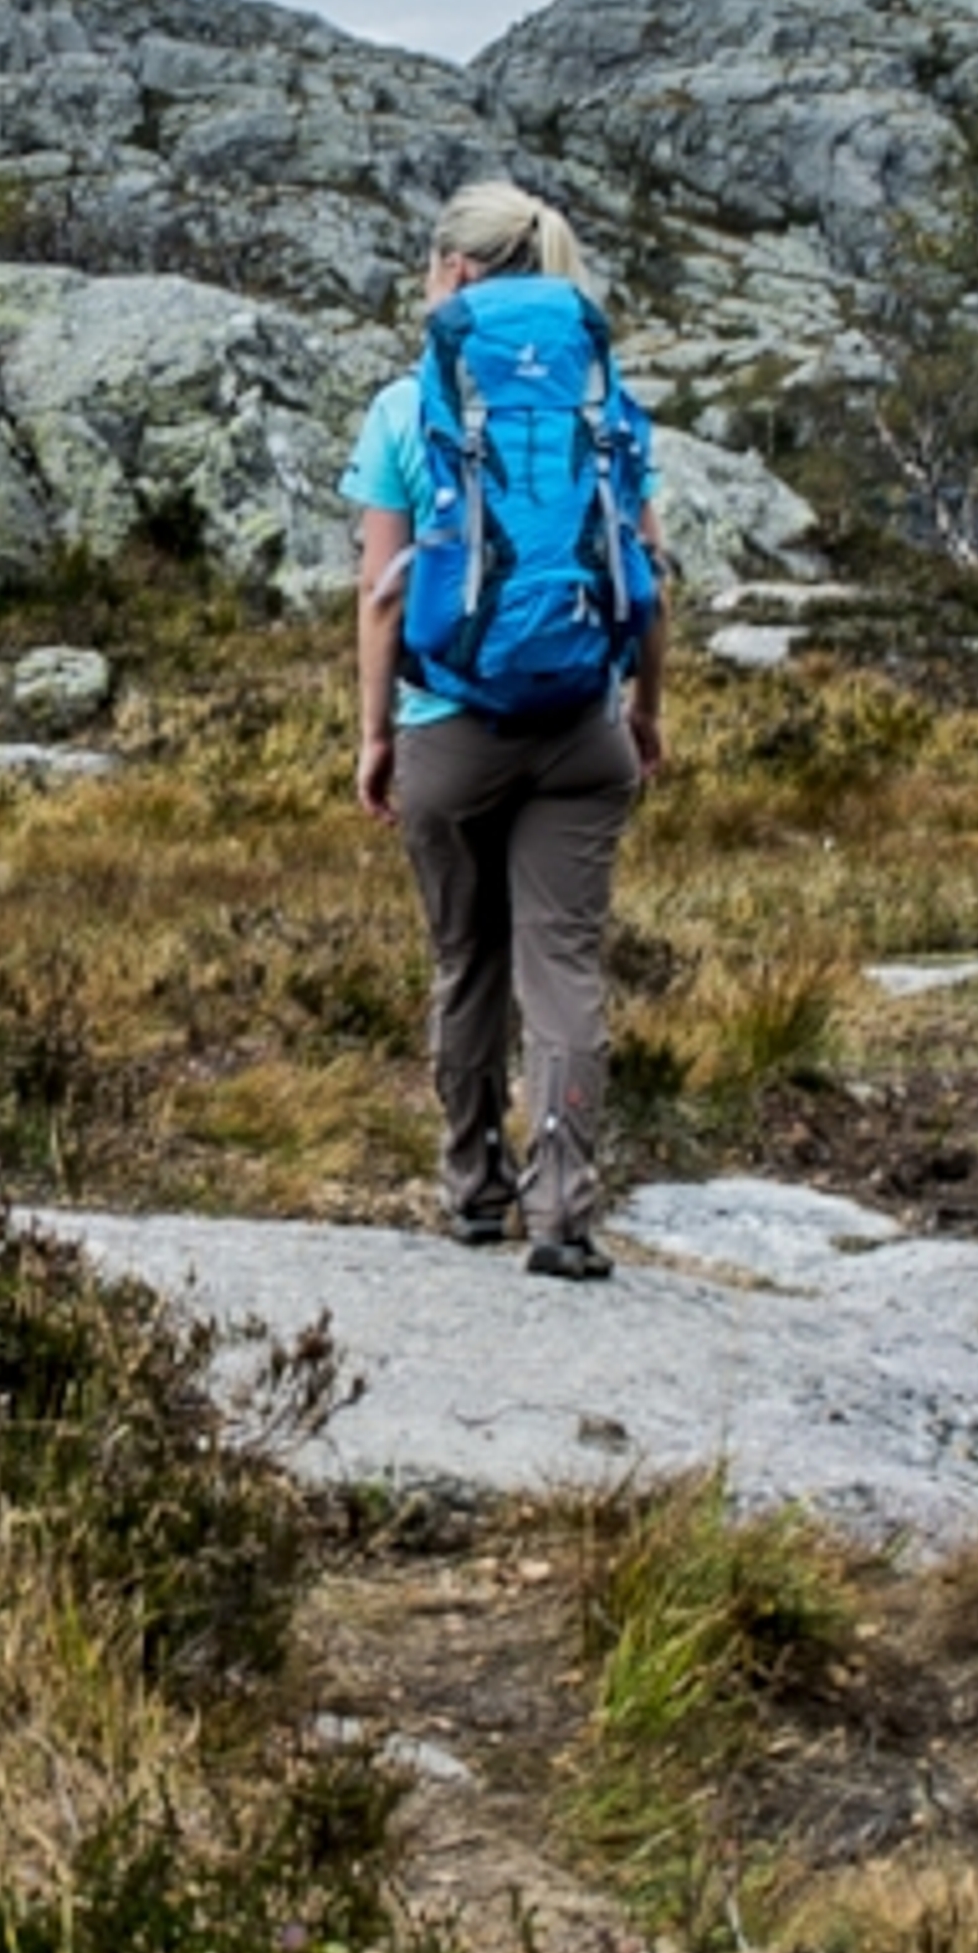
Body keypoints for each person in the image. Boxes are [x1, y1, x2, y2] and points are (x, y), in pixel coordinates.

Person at [349, 180, 668, 1278]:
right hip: (583, 725)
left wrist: (376, 736)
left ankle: (475, 1192)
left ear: (455, 270)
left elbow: (382, 598)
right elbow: (647, 574)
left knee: (466, 961)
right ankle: (564, 1211)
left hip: (448, 728)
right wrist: (644, 710)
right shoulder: (607, 399)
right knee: (564, 966)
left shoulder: (406, 406)